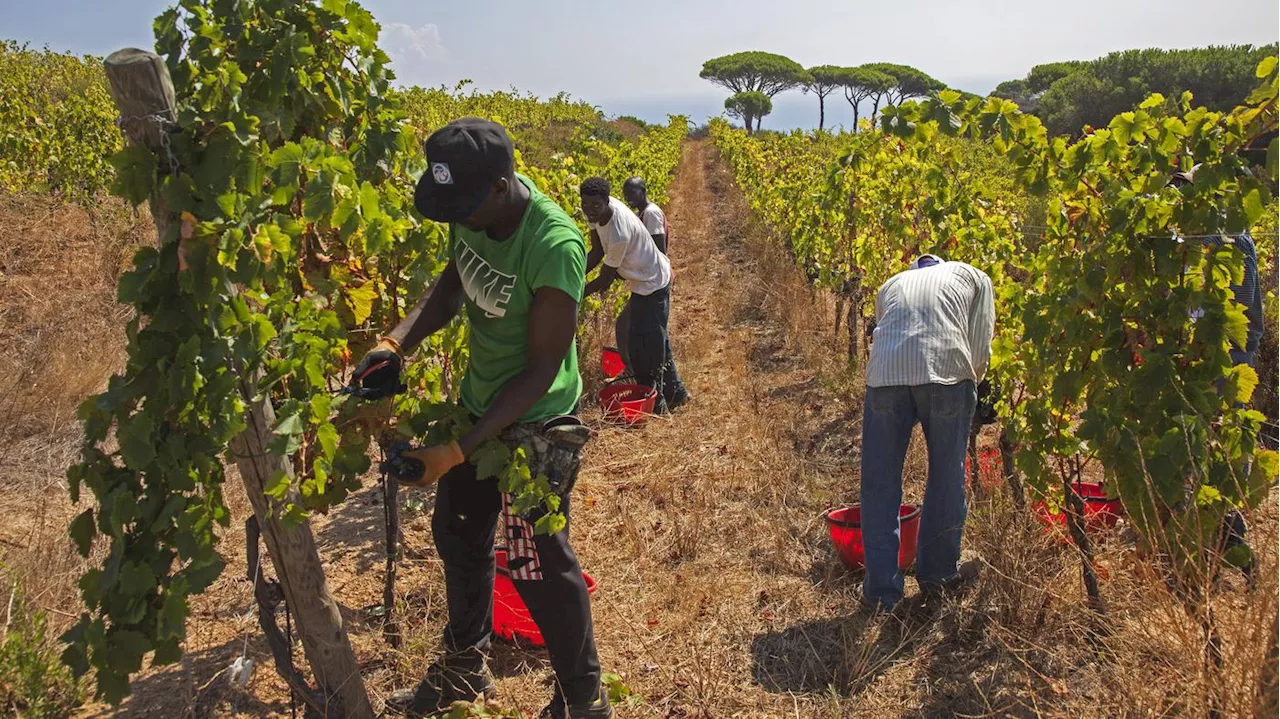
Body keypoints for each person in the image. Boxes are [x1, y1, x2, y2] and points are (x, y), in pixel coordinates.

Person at [353, 118, 611, 719]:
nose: (456, 219)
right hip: (479, 401)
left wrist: (458, 449)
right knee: (459, 533)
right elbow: (453, 285)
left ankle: (584, 698)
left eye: (463, 206)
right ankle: (465, 670)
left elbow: (542, 369)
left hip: (535, 418)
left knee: (537, 560)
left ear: (501, 187)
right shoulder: (467, 215)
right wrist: (396, 343)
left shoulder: (554, 244)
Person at [860, 253, 995, 611]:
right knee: (946, 478)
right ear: (943, 264)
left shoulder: (892, 283)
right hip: (947, 372)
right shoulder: (973, 274)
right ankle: (937, 578)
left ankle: (881, 595)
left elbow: (882, 330)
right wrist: (975, 384)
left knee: (879, 483)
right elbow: (979, 340)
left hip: (885, 376)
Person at [1173, 167, 1261, 583]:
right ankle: (1230, 549)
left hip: (1208, 360)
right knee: (1227, 448)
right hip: (1237, 357)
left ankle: (1213, 551)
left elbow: (1194, 307)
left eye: (1185, 190)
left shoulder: (1202, 240)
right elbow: (1253, 312)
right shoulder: (1243, 235)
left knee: (1197, 450)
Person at [580, 176, 690, 413]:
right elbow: (596, 252)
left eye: (594, 206)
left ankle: (657, 400)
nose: (589, 211)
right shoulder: (595, 212)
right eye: (585, 205)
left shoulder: (619, 232)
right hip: (640, 279)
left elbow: (606, 277)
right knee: (652, 337)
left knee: (648, 344)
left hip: (653, 281)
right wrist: (575, 275)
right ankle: (676, 392)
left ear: (607, 201)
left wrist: (576, 295)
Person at [611, 177, 672, 371]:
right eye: (626, 193)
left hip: (653, 281)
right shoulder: (643, 214)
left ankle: (633, 370)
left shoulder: (651, 214)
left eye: (633, 192)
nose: (628, 197)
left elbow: (658, 251)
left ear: (643, 191)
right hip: (649, 280)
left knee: (628, 327)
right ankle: (674, 387)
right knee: (657, 332)